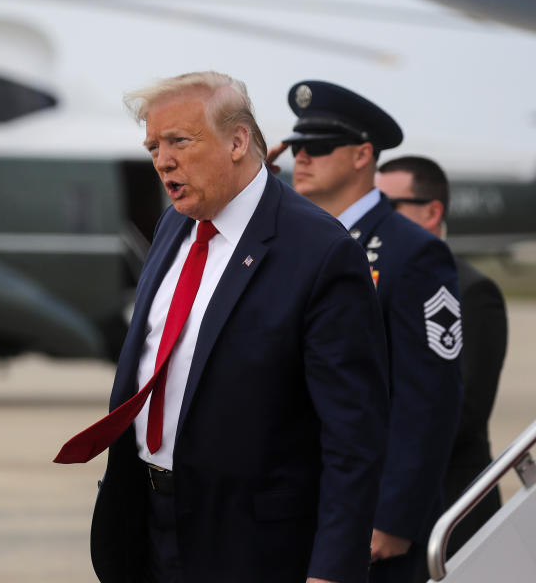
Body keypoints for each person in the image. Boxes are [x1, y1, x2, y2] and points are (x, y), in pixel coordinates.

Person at [55, 71, 390, 583]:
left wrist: (332, 569)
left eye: (179, 141)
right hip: (148, 523)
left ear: (237, 141)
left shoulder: (319, 251)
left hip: (253, 543)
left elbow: (353, 435)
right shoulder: (174, 224)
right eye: (152, 146)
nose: (162, 160)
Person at [268, 81, 463, 582]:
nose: (302, 157)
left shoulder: (412, 251)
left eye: (320, 146)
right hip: (294, 506)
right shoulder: (293, 241)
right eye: (297, 146)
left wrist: (394, 516)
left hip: (369, 517)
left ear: (361, 155)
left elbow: (429, 398)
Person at [376, 155, 507, 561]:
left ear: (432, 211)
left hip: (448, 506)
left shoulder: (471, 290)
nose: (378, 218)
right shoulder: (374, 281)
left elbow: (463, 410)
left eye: (389, 206)